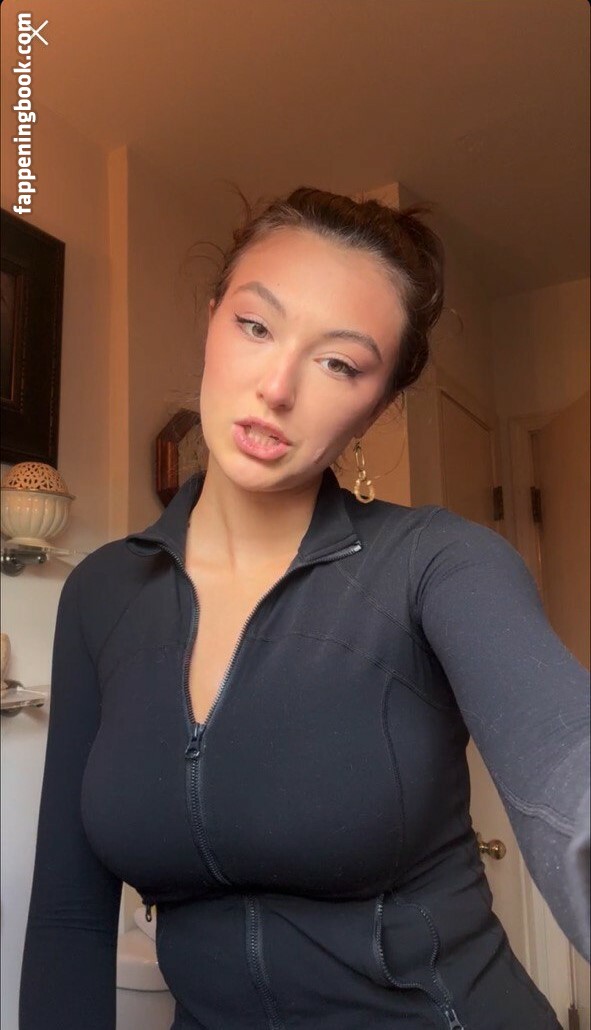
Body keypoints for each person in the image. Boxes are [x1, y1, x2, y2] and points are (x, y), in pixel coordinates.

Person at [20, 188, 589, 1030]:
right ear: (212, 320)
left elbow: (569, 772)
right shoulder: (101, 594)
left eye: (339, 364)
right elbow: (69, 916)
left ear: (379, 405)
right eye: (255, 326)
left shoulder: (440, 564)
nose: (276, 386)